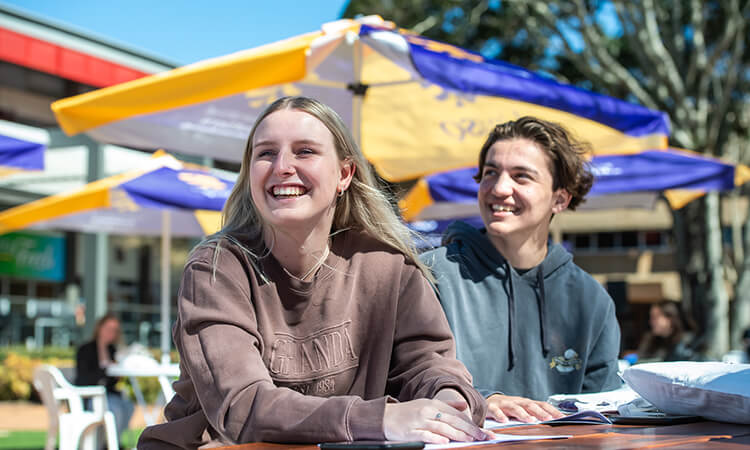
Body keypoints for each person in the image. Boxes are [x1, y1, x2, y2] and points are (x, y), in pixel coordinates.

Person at [138, 96, 488, 448]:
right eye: (266, 153)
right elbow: (242, 407)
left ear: (345, 174)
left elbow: (429, 364)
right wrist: (381, 418)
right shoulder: (217, 268)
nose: (282, 167)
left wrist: (447, 402)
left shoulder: (389, 266)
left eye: (304, 151)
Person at [421, 116, 621, 423]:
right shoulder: (430, 276)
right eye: (490, 173)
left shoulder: (591, 299)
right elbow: (407, 378)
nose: (499, 188)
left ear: (560, 198)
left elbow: (604, 411)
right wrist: (483, 400)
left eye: (521, 176)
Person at [75, 313, 134, 442]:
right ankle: (109, 445)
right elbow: (84, 379)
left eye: (114, 330)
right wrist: (105, 370)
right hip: (89, 397)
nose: (111, 332)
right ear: (99, 328)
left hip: (108, 395)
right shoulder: (85, 350)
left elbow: (110, 382)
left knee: (129, 406)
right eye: (108, 328)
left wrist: (116, 375)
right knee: (116, 409)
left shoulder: (112, 350)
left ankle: (113, 442)